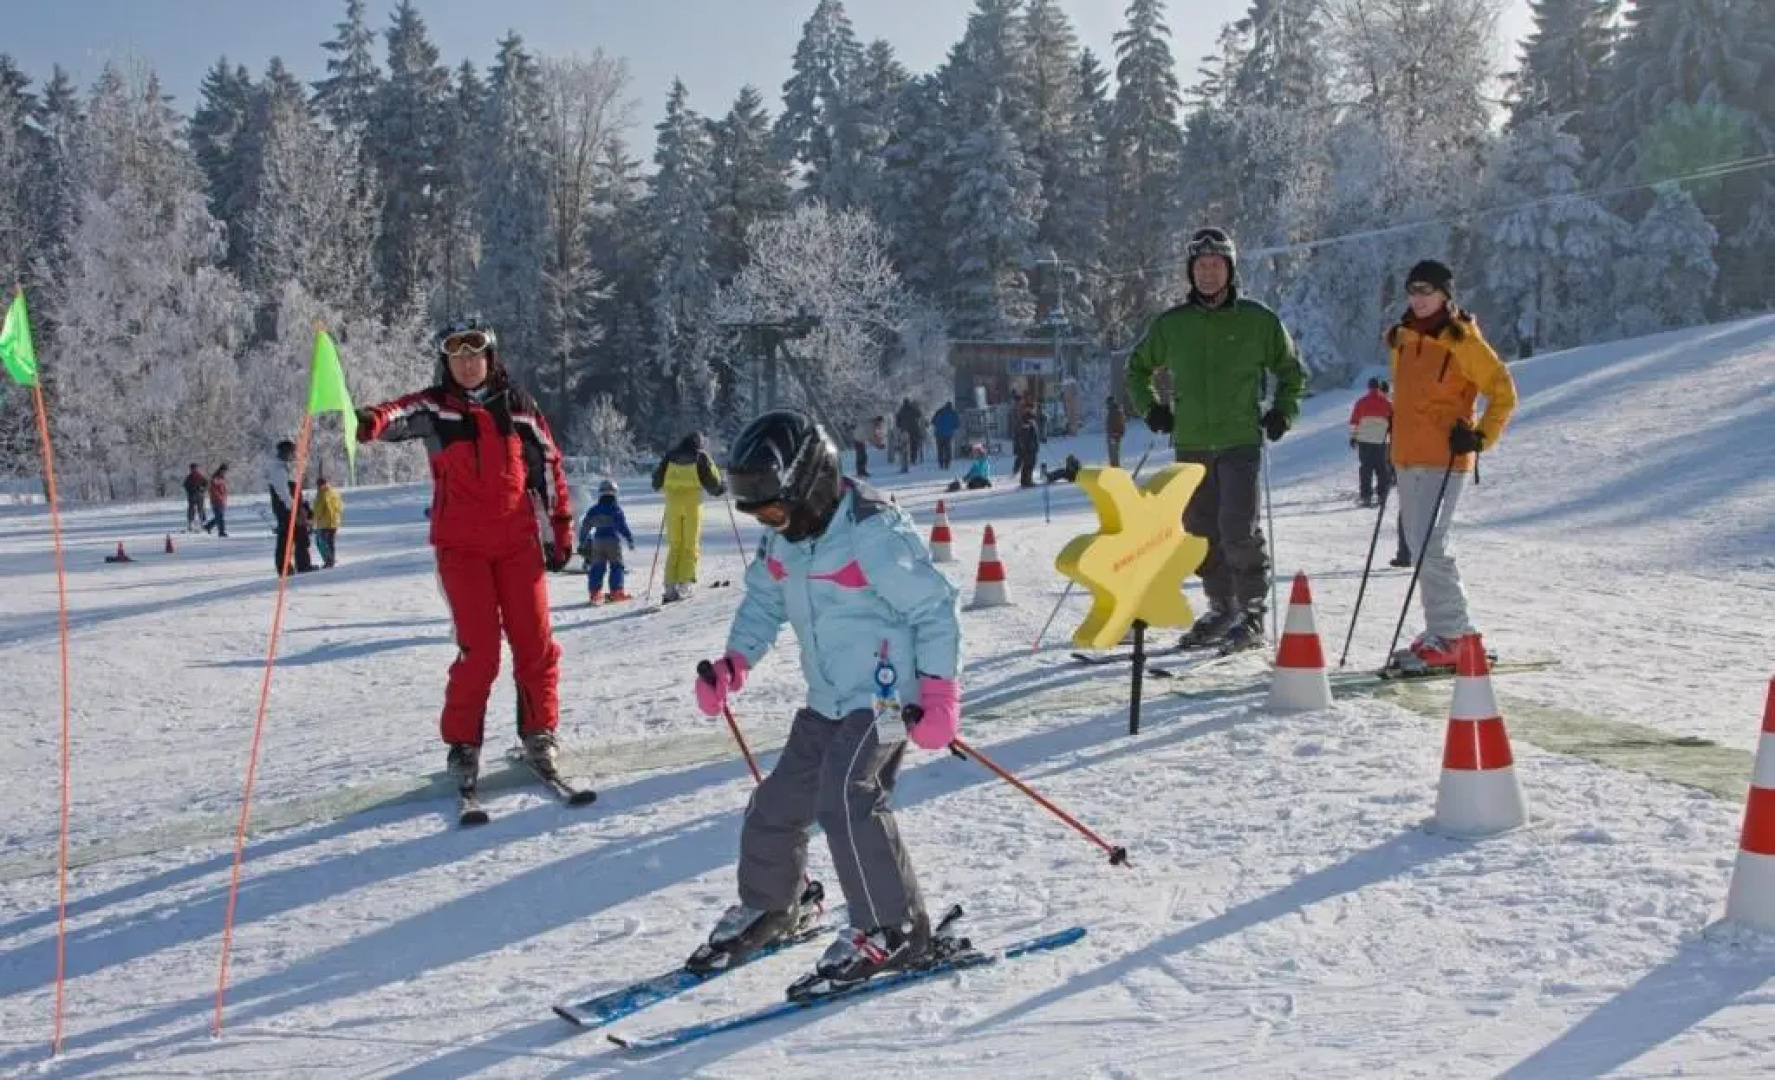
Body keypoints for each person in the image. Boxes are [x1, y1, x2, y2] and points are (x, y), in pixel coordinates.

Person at [688, 408, 962, 994]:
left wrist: (939, 692)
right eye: (757, 512)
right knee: (776, 804)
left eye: (773, 508)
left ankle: (891, 928)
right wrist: (734, 662)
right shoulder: (786, 537)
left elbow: (935, 607)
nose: (768, 521)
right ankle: (775, 904)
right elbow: (763, 603)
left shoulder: (874, 532)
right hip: (828, 697)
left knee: (847, 797)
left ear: (808, 484)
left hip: (888, 698)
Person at [353, 316, 575, 785]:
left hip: (518, 547)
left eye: (475, 356)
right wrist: (370, 421)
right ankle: (463, 746)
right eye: (457, 357)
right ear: (446, 362)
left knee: (535, 645)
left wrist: (560, 530)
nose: (467, 365)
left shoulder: (519, 408)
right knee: (481, 653)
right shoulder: (436, 409)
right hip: (462, 550)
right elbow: (394, 414)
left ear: (490, 359)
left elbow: (549, 466)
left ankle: (539, 735)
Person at [1126, 226, 1305, 653]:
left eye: (1216, 265)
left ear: (1229, 270)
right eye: (1201, 266)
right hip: (1190, 442)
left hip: (1239, 440)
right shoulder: (1174, 325)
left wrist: (1282, 410)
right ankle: (1222, 606)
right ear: (1191, 272)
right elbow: (1137, 368)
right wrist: (1152, 409)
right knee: (1200, 531)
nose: (1208, 274)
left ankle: (1252, 611)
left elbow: (1291, 370)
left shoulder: (1257, 320)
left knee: (1237, 527)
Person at [1386, 259, 1518, 670]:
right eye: (1413, 290)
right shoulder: (1402, 339)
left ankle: (1455, 634)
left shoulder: (1462, 339)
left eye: (1427, 290)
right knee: (1420, 545)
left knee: (1431, 545)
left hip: (1444, 456)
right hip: (1407, 454)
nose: (1419, 298)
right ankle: (1443, 630)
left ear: (1445, 294)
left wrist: (1480, 436)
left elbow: (1502, 391)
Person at [651, 432, 726, 603]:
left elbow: (656, 482)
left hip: (672, 504)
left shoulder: (670, 456)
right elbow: (713, 483)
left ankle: (670, 585)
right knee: (690, 544)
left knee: (675, 544)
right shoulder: (701, 457)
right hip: (692, 504)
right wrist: (723, 487)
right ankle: (684, 584)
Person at [579, 478, 636, 604]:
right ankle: (616, 592)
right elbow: (622, 526)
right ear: (615, 493)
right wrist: (629, 538)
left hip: (597, 541)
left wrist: (582, 540)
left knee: (597, 567)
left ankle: (595, 593)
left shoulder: (594, 510)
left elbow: (585, 526)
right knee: (616, 566)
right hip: (612, 541)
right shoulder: (615, 509)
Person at [264, 439, 315, 575]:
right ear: (285, 452)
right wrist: (295, 510)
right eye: (292, 452)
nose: (293, 455)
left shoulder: (284, 467)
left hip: (290, 508)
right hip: (286, 509)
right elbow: (284, 493)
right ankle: (288, 567)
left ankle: (298, 565)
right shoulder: (278, 470)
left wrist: (303, 506)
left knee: (297, 536)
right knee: (289, 537)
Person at [1349, 378, 1393, 507]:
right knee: (1382, 469)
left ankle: (1366, 497)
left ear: (1368, 387)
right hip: (1382, 441)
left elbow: (1354, 421)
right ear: (1380, 388)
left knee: (1366, 469)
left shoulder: (1361, 402)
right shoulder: (1388, 403)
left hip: (1364, 440)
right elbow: (1394, 421)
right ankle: (1382, 496)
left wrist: (1353, 437)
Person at [312, 476, 344, 568]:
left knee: (323, 542)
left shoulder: (322, 493)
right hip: (334, 521)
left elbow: (319, 509)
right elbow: (341, 506)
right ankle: (331, 559)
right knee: (330, 542)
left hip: (325, 522)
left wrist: (313, 521)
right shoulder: (334, 492)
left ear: (320, 484)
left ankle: (329, 561)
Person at [1011, 401, 1040, 488]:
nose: (1034, 410)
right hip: (1028, 446)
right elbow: (1024, 433)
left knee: (1029, 463)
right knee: (1029, 464)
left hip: (1031, 445)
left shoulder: (1031, 418)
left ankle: (1025, 480)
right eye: (1032, 408)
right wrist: (1027, 444)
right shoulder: (1026, 419)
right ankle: (1027, 481)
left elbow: (1033, 432)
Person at [202, 463, 230, 537]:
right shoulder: (215, 478)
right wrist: (219, 497)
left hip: (222, 500)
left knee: (219, 516)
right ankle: (221, 531)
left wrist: (224, 497)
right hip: (216, 500)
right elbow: (213, 490)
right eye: (224, 471)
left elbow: (223, 489)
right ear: (221, 470)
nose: (225, 472)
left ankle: (208, 526)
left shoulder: (222, 478)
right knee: (220, 517)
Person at [931, 401, 959, 470]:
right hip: (948, 434)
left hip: (939, 434)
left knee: (940, 449)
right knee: (947, 449)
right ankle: (947, 464)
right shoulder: (953, 413)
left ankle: (941, 463)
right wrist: (952, 427)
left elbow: (933, 421)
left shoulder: (939, 411)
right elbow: (957, 424)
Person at [182, 463, 208, 532]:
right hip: (192, 495)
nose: (193, 469)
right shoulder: (189, 477)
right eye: (192, 468)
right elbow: (185, 485)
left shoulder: (200, 477)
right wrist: (189, 490)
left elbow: (206, 484)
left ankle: (203, 523)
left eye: (194, 468)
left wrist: (202, 489)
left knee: (200, 509)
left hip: (199, 495)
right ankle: (191, 523)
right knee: (191, 509)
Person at [1105, 396, 1126, 467]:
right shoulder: (1113, 411)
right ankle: (1114, 469)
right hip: (1113, 436)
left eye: (1108, 403)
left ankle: (1116, 470)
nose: (1107, 405)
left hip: (1114, 436)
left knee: (1114, 455)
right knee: (1113, 455)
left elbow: (1121, 424)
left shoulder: (1115, 411)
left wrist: (1117, 433)